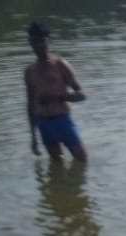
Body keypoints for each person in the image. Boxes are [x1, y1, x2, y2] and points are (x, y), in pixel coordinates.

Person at [24, 21, 88, 162]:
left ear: (49, 41)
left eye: (42, 41)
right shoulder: (29, 71)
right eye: (34, 42)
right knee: (56, 164)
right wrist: (33, 138)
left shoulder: (60, 65)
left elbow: (82, 95)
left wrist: (56, 96)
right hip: (44, 124)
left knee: (82, 159)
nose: (38, 46)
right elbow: (30, 105)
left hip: (63, 120)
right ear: (30, 43)